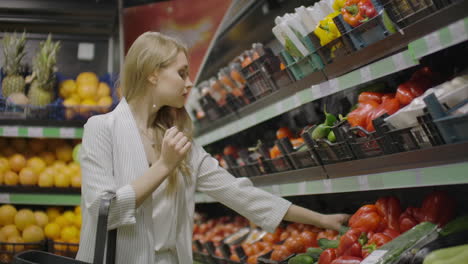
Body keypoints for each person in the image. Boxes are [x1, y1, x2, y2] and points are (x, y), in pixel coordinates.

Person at [76, 32, 349, 264]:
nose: (189, 82)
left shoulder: (174, 138)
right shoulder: (102, 129)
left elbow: (239, 194)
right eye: (181, 73)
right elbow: (105, 211)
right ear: (152, 74)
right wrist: (163, 167)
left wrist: (321, 220)